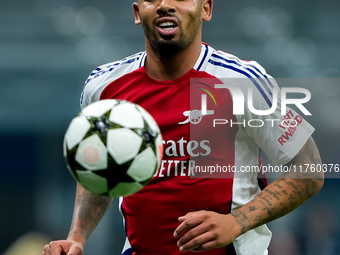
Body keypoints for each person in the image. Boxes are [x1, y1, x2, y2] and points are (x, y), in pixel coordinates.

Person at [43, 0, 324, 254]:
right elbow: (101, 171)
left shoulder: (242, 81)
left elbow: (309, 170)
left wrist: (236, 222)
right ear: (137, 12)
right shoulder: (103, 87)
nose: (165, 5)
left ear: (206, 9)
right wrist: (77, 237)